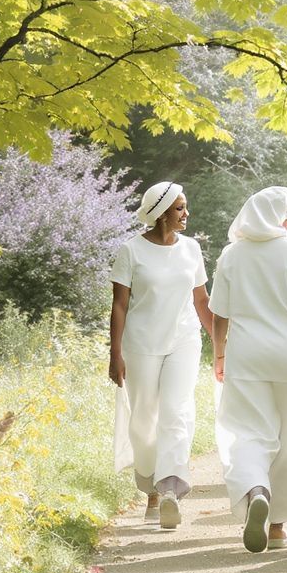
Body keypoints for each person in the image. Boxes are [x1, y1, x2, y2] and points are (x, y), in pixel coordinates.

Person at [210, 187, 287, 553]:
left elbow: (220, 314)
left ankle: (256, 491)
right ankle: (277, 528)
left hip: (246, 357)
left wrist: (219, 356)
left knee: (247, 433)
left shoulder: (232, 255)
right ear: (285, 217)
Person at [109, 181, 212, 529]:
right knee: (143, 420)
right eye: (180, 208)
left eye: (185, 206)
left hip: (183, 340)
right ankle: (150, 489)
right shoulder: (131, 251)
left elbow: (201, 300)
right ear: (161, 212)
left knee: (176, 412)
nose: (187, 213)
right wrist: (115, 353)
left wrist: (222, 345)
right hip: (140, 345)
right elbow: (120, 305)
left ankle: (169, 490)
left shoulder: (192, 249)